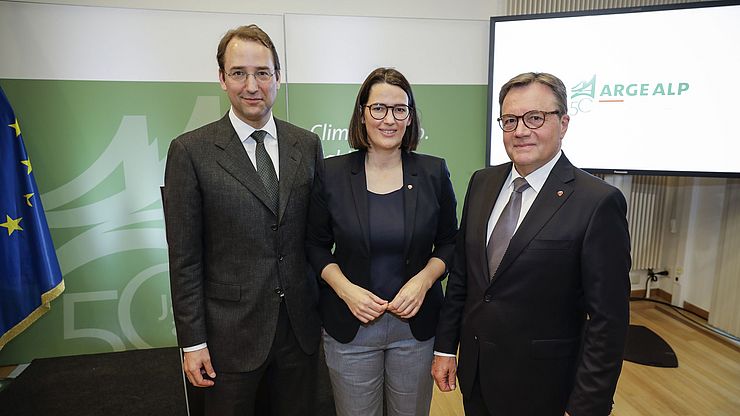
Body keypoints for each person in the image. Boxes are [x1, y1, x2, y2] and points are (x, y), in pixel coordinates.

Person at [432, 72, 631, 416]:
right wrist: (447, 348)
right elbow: (464, 276)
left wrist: (587, 405)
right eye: (509, 120)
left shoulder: (597, 202)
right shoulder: (482, 182)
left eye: (535, 118)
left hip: (546, 389)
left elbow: (607, 321)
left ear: (564, 123)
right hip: (477, 375)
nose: (520, 130)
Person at [163, 25, 324, 416]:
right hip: (228, 341)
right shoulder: (190, 152)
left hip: (299, 336)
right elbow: (185, 259)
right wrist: (193, 342)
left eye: (263, 73)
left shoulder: (306, 144)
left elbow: (317, 239)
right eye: (238, 73)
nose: (252, 85)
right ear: (222, 79)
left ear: (278, 78)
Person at [306, 67, 458, 416]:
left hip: (415, 330)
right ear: (362, 113)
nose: (389, 119)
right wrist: (346, 290)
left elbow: (450, 243)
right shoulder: (332, 174)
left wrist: (424, 280)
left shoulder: (433, 173)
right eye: (379, 108)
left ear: (409, 117)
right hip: (351, 328)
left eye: (399, 109)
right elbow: (314, 245)